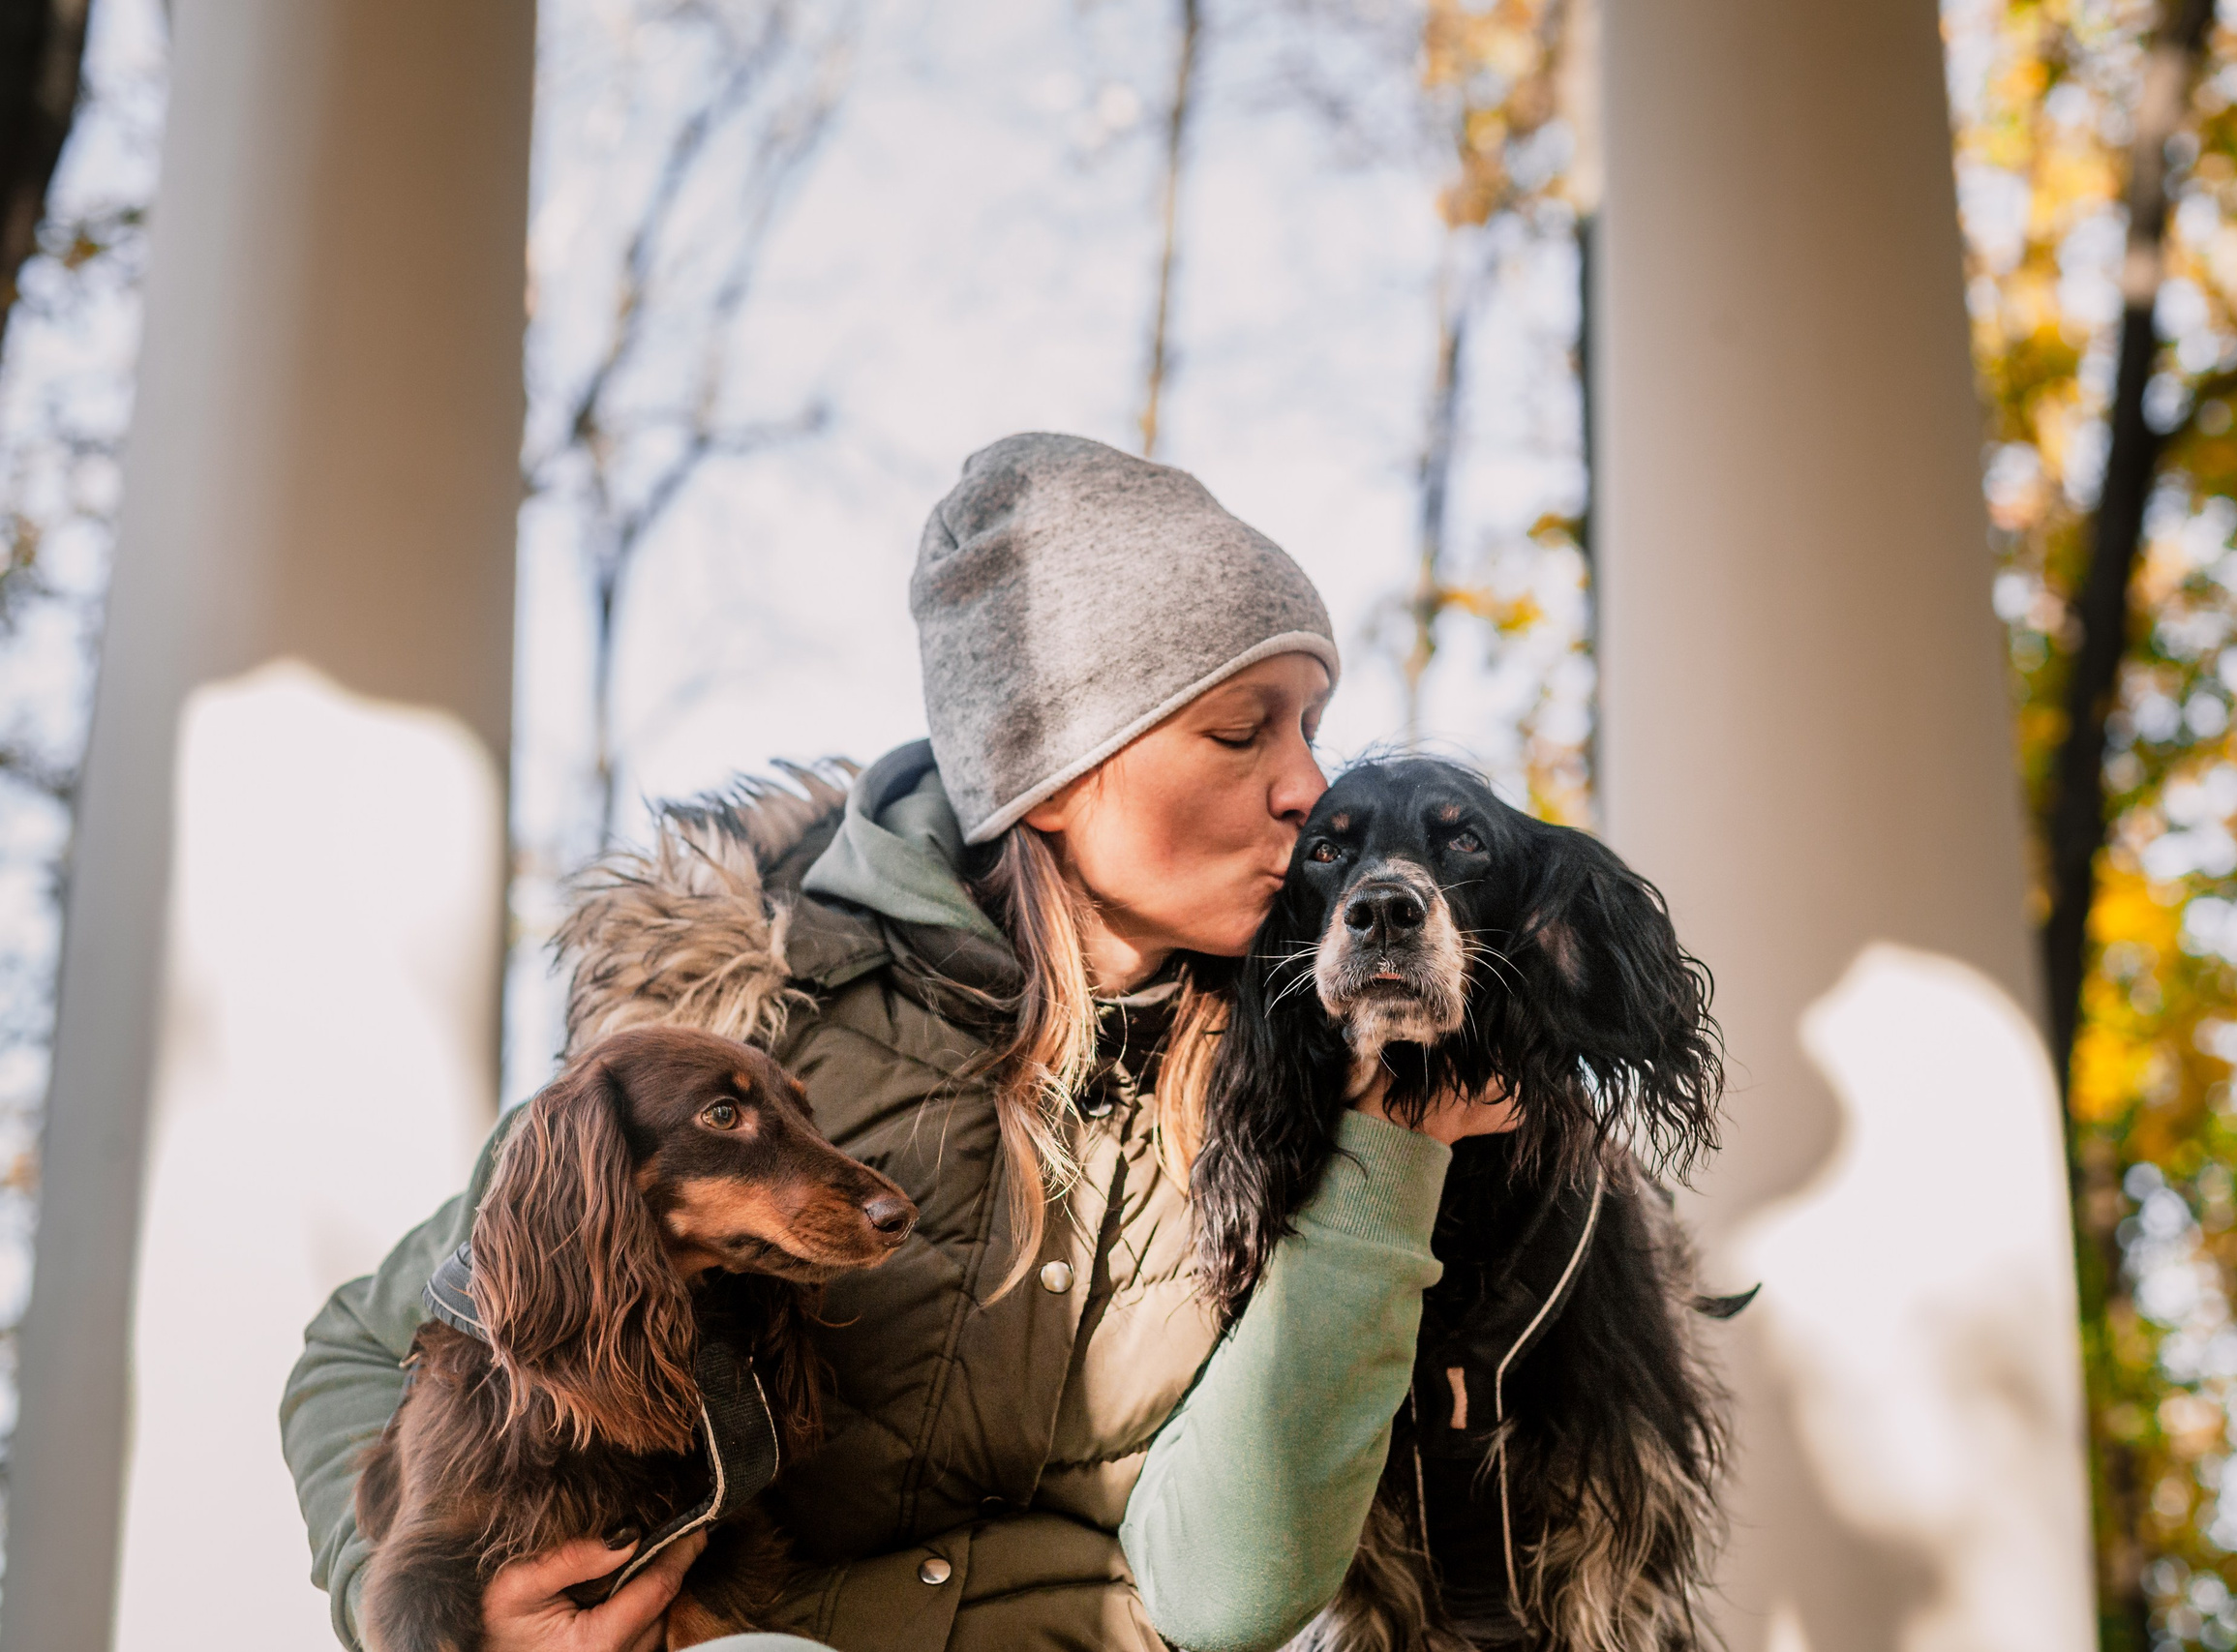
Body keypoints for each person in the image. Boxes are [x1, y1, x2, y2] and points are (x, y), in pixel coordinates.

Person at [282, 433, 1516, 1652]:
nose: (1310, 788)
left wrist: (1383, 1167)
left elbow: (1228, 1592)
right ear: (1052, 774)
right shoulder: (750, 1019)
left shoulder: (1293, 1079)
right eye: (1244, 734)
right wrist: (426, 1606)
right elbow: (363, 1351)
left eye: (1311, 725)